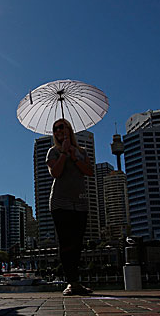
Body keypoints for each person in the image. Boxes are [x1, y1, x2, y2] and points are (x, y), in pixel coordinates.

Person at [46, 118, 94, 296]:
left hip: (80, 202)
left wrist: (74, 156)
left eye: (61, 127)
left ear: (69, 129)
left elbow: (89, 171)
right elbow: (55, 173)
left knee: (77, 243)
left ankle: (77, 281)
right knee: (66, 243)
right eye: (55, 129)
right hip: (60, 203)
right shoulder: (53, 152)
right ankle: (71, 282)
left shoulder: (82, 151)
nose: (59, 131)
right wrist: (64, 154)